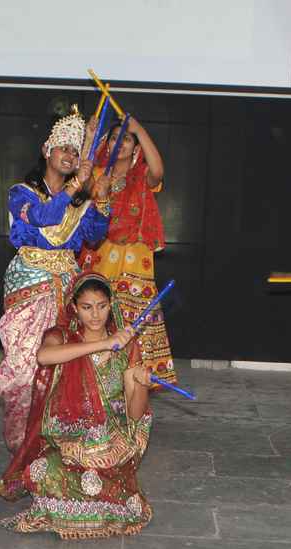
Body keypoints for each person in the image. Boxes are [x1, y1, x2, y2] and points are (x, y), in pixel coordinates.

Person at [0, 274, 155, 538]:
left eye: (102, 306)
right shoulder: (60, 336)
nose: (95, 315)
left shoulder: (128, 347)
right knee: (44, 472)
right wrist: (104, 344)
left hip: (110, 440)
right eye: (87, 307)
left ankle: (99, 500)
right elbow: (44, 356)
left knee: (98, 481)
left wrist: (140, 384)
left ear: (111, 304)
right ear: (74, 307)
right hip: (70, 436)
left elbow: (135, 413)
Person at [0, 107, 110, 454]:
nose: (70, 155)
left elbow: (95, 235)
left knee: (66, 366)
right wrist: (76, 185)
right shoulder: (21, 193)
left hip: (67, 287)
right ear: (47, 150)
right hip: (30, 286)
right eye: (64, 148)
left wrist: (101, 198)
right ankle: (22, 447)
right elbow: (44, 217)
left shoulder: (78, 203)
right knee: (24, 368)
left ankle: (56, 447)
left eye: (76, 150)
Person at [79, 117, 176, 386]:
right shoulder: (99, 175)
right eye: (114, 138)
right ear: (107, 145)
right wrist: (90, 139)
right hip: (103, 257)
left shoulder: (142, 175)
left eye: (126, 139)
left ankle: (135, 384)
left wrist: (139, 130)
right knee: (100, 315)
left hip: (136, 260)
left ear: (136, 148)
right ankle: (99, 381)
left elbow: (158, 171)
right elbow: (80, 183)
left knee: (136, 322)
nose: (119, 143)